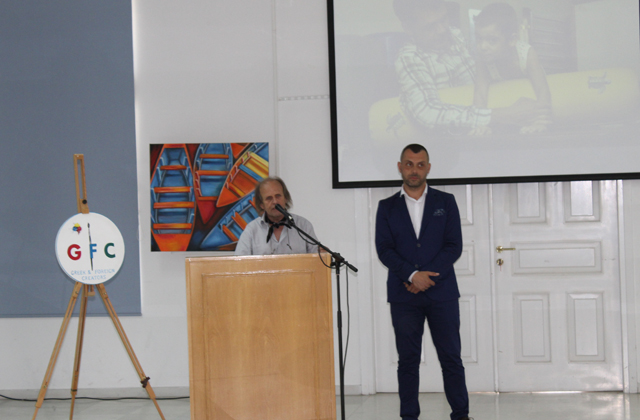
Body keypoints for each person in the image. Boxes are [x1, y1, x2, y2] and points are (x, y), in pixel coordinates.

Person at [375, 144, 470, 420]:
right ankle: (409, 416)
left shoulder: (446, 202)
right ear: (400, 167)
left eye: (420, 164)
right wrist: (412, 275)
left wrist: (425, 276)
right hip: (404, 296)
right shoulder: (386, 207)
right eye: (409, 164)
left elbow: (454, 246)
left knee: (451, 358)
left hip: (442, 294)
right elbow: (384, 249)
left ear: (428, 168)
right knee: (408, 361)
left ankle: (461, 414)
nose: (414, 170)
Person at [393, 0, 548, 133]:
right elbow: (427, 113)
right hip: (455, 140)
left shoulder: (455, 35)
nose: (442, 30)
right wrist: (500, 116)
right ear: (408, 28)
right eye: (430, 26)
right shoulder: (409, 58)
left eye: (444, 19)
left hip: (499, 124)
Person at [471, 2, 552, 135]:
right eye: (479, 39)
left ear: (512, 40)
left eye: (492, 40)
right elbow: (480, 94)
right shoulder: (483, 60)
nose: (483, 46)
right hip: (506, 118)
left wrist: (540, 122)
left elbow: (542, 90)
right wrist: (480, 125)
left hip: (529, 111)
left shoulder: (527, 54)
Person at [235, 176, 318, 255]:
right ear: (261, 205)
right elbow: (238, 262)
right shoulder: (251, 230)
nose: (275, 202)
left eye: (278, 196)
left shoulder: (303, 225)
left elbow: (317, 258)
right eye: (269, 198)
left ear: (285, 198)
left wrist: (322, 254)